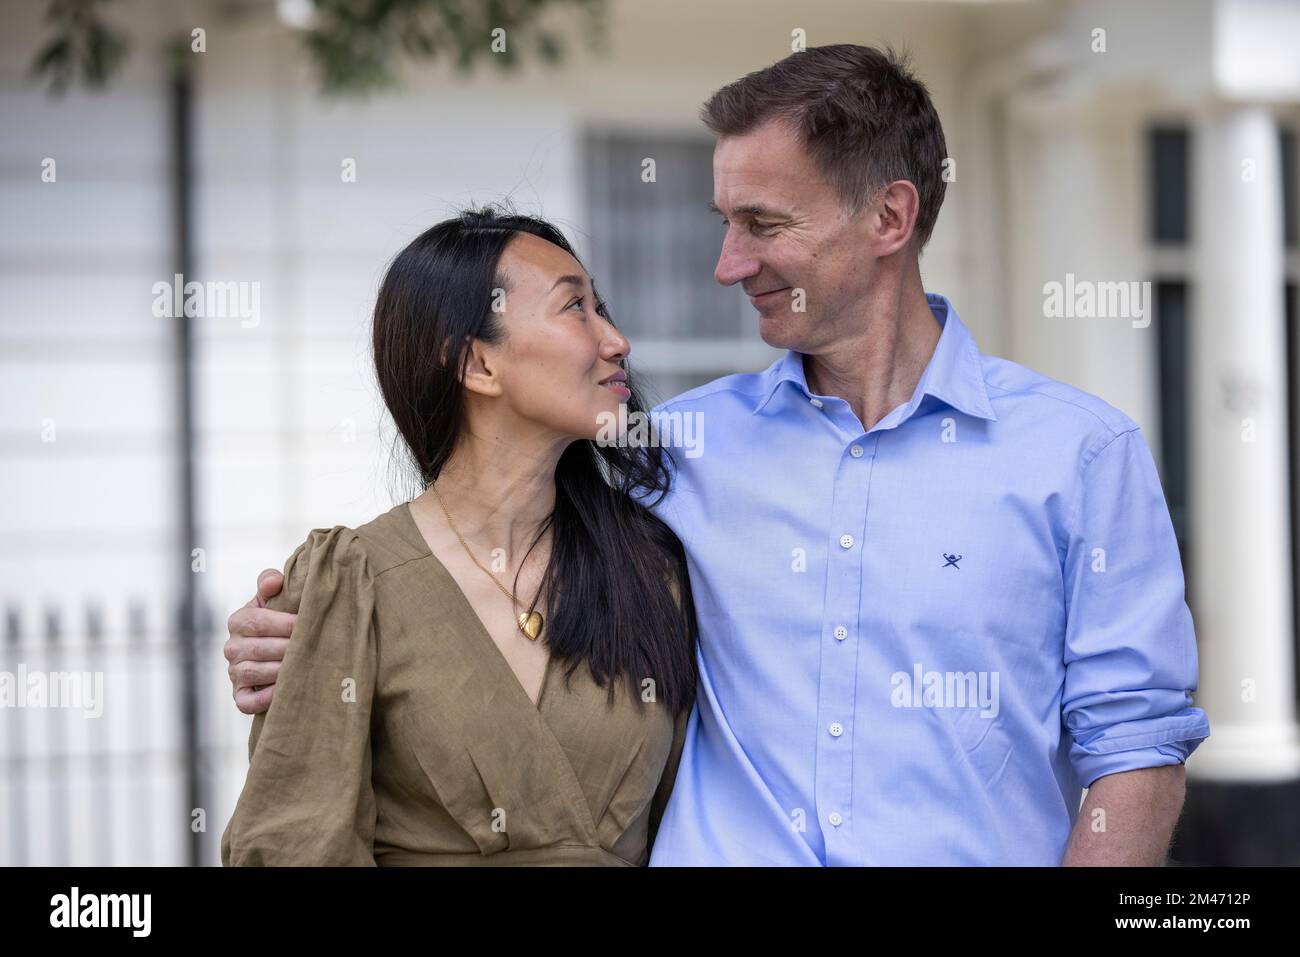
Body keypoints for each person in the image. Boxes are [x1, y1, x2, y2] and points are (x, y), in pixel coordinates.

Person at [226, 45, 1209, 866]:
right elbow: (475, 550)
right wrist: (299, 637)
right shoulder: (673, 455)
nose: (727, 264)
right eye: (723, 223)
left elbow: (1132, 748)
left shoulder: (1078, 456)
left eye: (762, 225)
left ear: (889, 219)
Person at [221, 207, 697, 866]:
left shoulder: (652, 570)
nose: (616, 340)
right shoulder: (349, 582)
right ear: (477, 363)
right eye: (575, 309)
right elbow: (297, 846)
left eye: (603, 307)